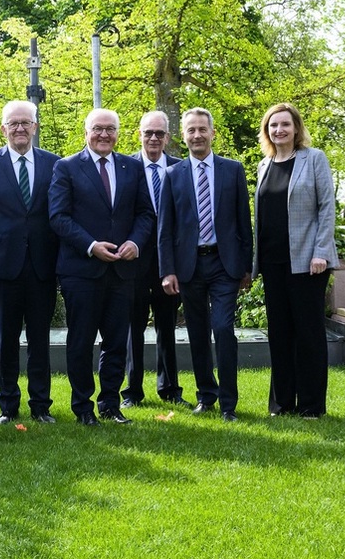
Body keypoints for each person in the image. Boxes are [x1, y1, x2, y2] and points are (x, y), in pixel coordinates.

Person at [48, 108, 154, 426]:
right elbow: (58, 216)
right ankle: (82, 407)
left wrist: (135, 242)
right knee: (81, 341)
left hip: (122, 271)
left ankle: (110, 404)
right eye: (98, 129)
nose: (104, 134)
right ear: (86, 132)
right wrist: (91, 246)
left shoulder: (132, 167)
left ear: (118, 133)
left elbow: (146, 214)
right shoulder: (66, 167)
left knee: (116, 341)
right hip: (81, 270)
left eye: (110, 129)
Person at [157, 107, 252, 422]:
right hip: (189, 267)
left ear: (212, 133)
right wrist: (167, 270)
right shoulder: (173, 175)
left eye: (202, 129)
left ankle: (228, 403)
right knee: (197, 333)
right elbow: (165, 229)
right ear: (183, 136)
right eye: (191, 130)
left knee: (223, 329)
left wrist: (247, 267)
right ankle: (206, 396)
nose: (197, 135)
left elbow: (243, 222)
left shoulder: (233, 170)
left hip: (225, 265)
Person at [0, 101, 60, 425]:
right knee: (6, 340)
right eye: (14, 123)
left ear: (35, 127)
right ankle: (8, 405)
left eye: (26, 123)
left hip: (42, 264)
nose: (20, 128)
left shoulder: (54, 164)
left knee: (39, 339)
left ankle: (41, 406)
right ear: (4, 129)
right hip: (4, 264)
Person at [253, 103, 338, 419]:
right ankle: (282, 403)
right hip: (273, 264)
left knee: (309, 335)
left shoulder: (313, 159)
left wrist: (321, 252)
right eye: (273, 126)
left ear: (296, 128)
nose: (279, 130)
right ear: (267, 131)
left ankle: (312, 405)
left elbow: (326, 208)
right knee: (279, 334)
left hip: (307, 262)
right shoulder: (264, 165)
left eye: (285, 125)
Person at [120, 111, 191, 409]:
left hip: (168, 263)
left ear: (168, 137)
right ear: (139, 134)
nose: (153, 139)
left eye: (159, 134)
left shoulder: (180, 169)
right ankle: (132, 392)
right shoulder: (125, 168)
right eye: (148, 133)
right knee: (133, 326)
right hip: (134, 262)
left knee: (167, 325)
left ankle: (170, 388)